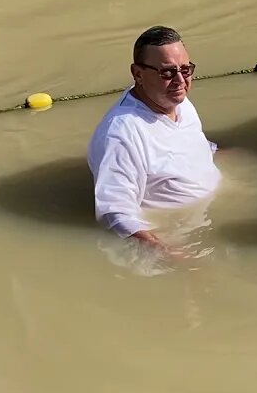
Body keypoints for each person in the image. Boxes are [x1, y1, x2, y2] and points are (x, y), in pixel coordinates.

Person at [87, 25, 221, 254]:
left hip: (214, 218)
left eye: (186, 69)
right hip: (179, 234)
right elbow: (115, 213)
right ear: (138, 74)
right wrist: (166, 252)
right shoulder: (121, 135)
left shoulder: (178, 101)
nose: (180, 80)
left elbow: (194, 147)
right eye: (167, 73)